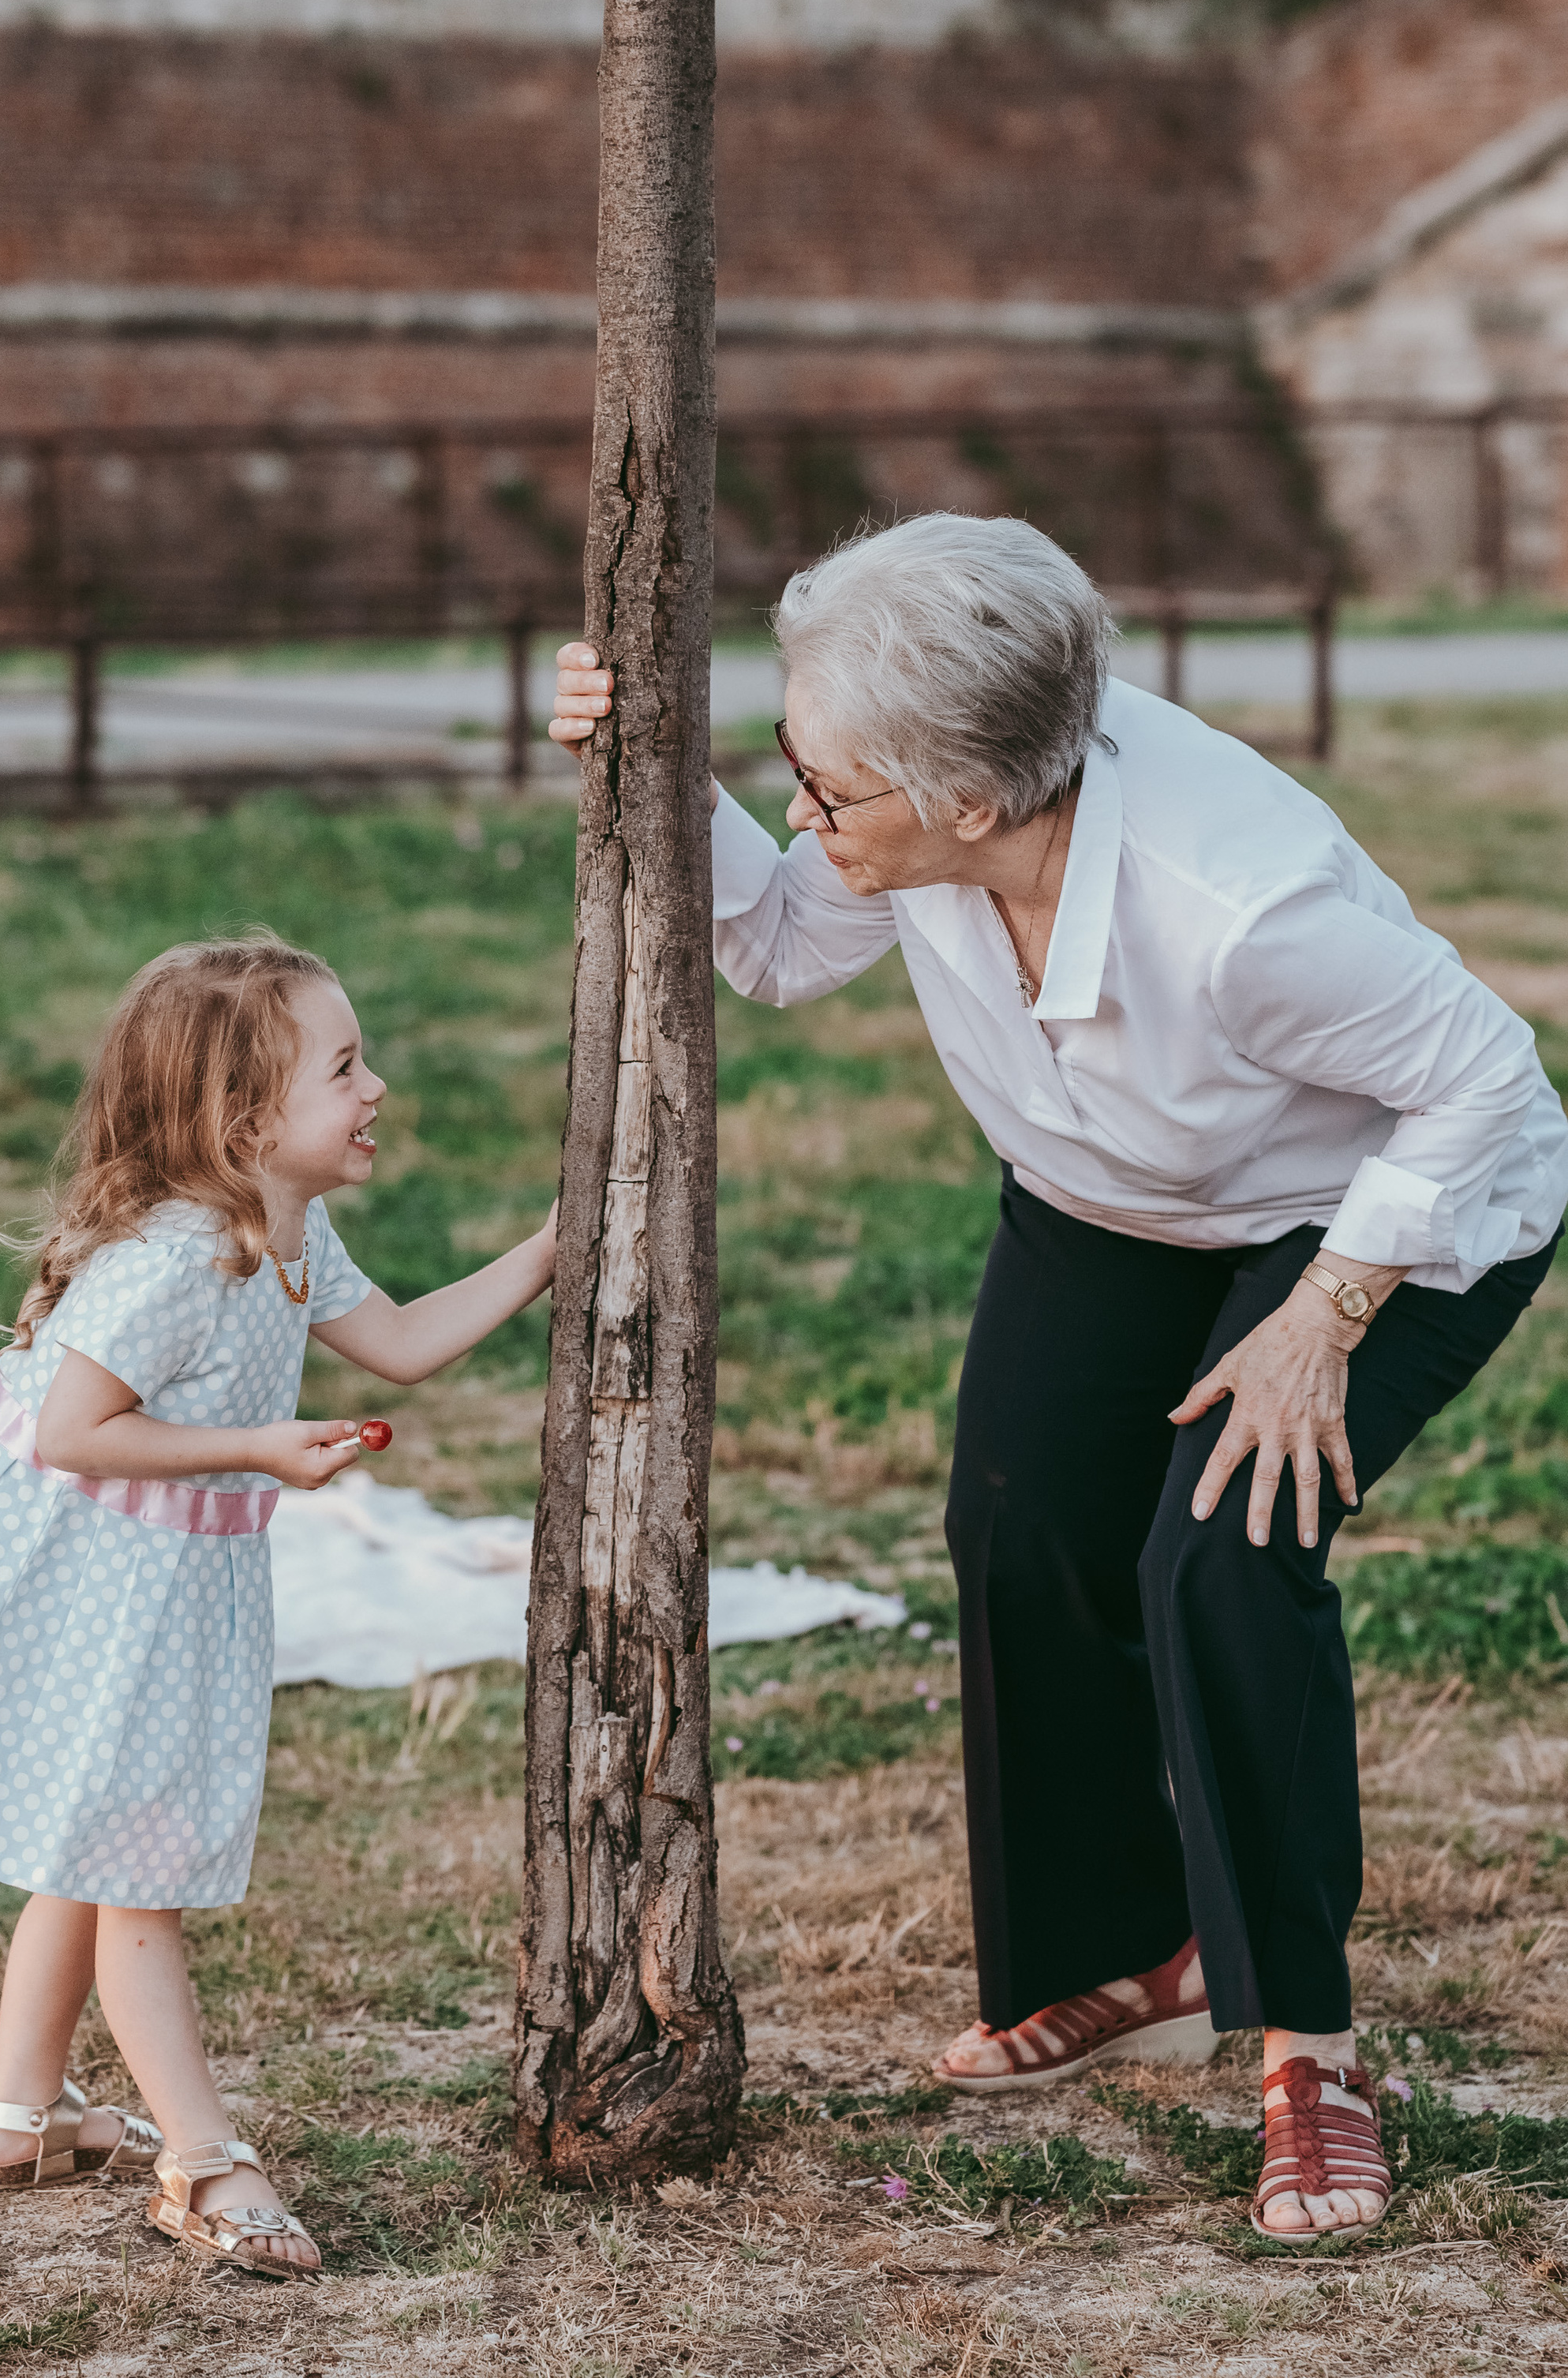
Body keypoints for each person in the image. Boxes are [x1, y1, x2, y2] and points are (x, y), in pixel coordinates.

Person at [548, 512, 1567, 2246]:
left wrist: (1321, 1315)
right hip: (1106, 1195)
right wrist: (651, 774)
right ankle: (1127, 1953)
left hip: (1373, 1209)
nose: (802, 805)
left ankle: (1310, 2054)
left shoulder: (1239, 908)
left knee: (1220, 1554)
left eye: (824, 782)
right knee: (1014, 1529)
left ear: (967, 795)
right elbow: (782, 944)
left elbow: (1481, 1071)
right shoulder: (932, 826)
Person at [0, 934, 556, 2279]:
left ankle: (17, 2115)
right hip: (90, 1578)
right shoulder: (176, 1256)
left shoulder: (289, 1227)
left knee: (96, 1842)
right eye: (346, 1067)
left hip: (157, 1582)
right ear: (244, 1119)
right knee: (135, 1865)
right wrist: (256, 1449)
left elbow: (400, 1343)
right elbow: (69, 1431)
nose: (378, 1085)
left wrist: (558, 1245)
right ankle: (207, 2159)